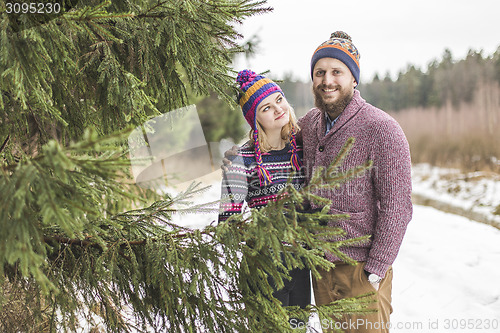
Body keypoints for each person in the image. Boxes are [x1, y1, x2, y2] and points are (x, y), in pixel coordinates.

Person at [224, 31, 413, 333]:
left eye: (337, 72)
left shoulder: (382, 129)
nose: (328, 80)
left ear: (354, 78)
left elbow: (398, 206)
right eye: (320, 72)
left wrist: (375, 270)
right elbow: (273, 141)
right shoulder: (310, 124)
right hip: (317, 270)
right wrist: (239, 157)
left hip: (360, 269)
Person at [218, 70, 311, 314]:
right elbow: (227, 225)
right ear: (255, 119)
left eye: (279, 100)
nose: (278, 109)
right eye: (266, 108)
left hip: (301, 265)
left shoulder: (303, 150)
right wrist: (267, 218)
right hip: (264, 266)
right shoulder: (240, 159)